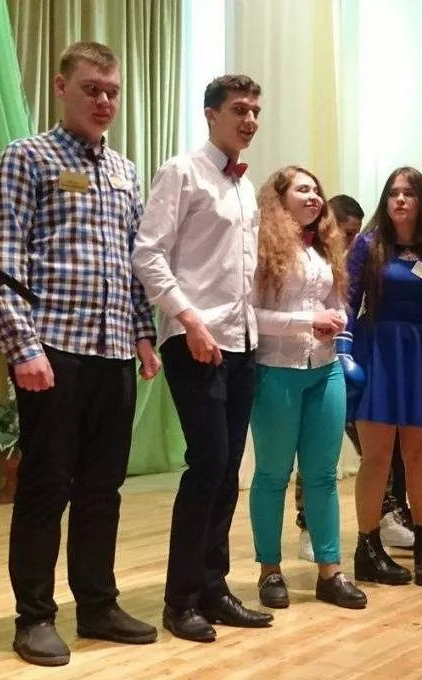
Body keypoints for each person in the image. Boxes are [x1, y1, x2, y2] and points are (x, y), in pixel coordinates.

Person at [0, 41, 161, 665]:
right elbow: (5, 260)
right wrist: (23, 347)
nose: (104, 101)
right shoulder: (26, 157)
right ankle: (34, 616)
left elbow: (131, 263)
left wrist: (143, 333)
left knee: (102, 487)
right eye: (92, 89)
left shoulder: (125, 171)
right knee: (45, 485)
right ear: (62, 88)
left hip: (114, 352)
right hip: (53, 349)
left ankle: (97, 604)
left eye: (112, 91)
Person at [133, 74, 273, 643]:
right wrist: (189, 321)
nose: (250, 120)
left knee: (228, 468)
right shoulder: (181, 171)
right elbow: (148, 254)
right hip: (194, 338)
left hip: (241, 342)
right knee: (208, 463)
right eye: (239, 109)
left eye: (255, 111)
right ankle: (181, 599)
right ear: (211, 114)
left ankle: (214, 588)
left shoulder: (245, 185)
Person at [341, 167, 422, 588]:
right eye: (393, 193)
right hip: (377, 349)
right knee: (377, 457)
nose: (399, 200)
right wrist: (343, 347)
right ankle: (367, 548)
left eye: (408, 193)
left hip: (418, 352)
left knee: (420, 455)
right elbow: (348, 300)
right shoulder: (367, 245)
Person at [249, 167, 367, 610]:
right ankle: (269, 570)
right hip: (276, 369)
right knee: (272, 475)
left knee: (322, 475)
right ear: (279, 198)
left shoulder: (323, 249)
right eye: (303, 189)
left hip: (325, 368)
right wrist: (306, 321)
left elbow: (337, 305)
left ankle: (330, 572)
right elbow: (250, 314)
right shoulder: (260, 246)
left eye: (317, 189)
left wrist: (336, 320)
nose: (315, 196)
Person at [294, 194, 420, 560]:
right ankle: (308, 526)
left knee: (377, 447)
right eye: (347, 232)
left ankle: (385, 515)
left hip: (356, 364)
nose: (352, 240)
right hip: (315, 362)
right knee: (318, 447)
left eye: (356, 233)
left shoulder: (364, 257)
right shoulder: (312, 260)